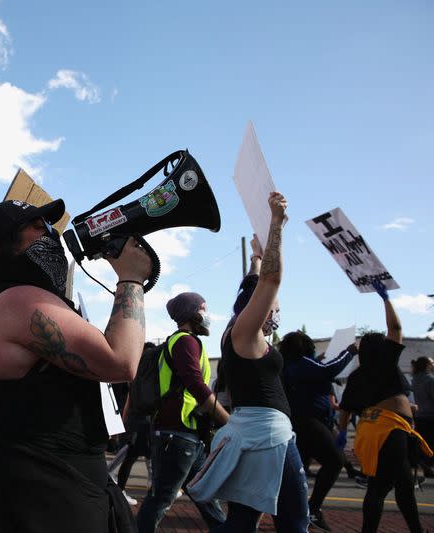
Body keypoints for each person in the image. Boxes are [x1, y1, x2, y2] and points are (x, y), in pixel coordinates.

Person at [0, 198, 151, 532]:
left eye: (50, 225)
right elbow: (121, 360)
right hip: (40, 503)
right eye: (36, 226)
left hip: (46, 492)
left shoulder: (10, 298)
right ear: (8, 244)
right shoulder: (19, 301)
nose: (50, 233)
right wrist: (131, 278)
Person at [188, 193, 309, 533]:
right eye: (272, 306)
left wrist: (256, 259)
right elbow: (269, 283)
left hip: (254, 433)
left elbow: (252, 288)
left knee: (242, 520)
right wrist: (275, 226)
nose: (276, 311)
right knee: (294, 521)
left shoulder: (236, 332)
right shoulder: (244, 332)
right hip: (268, 436)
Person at [338, 280, 432, 533]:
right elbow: (396, 327)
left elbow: (345, 410)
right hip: (389, 430)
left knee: (401, 486)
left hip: (372, 431)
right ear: (382, 349)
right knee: (379, 488)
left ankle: (416, 530)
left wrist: (340, 434)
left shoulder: (356, 376)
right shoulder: (387, 362)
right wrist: (385, 299)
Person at [137, 292, 229, 532]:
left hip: (186, 433)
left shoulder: (181, 341)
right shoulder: (185, 341)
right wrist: (227, 420)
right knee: (161, 499)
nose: (207, 315)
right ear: (192, 313)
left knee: (204, 494)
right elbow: (196, 386)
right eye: (203, 309)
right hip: (177, 433)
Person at [280, 330, 356, 531]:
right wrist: (348, 352)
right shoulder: (301, 364)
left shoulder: (292, 365)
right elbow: (328, 371)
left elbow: (319, 369)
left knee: (298, 471)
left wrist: (320, 361)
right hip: (308, 422)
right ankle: (312, 508)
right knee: (335, 460)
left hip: (302, 422)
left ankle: (295, 513)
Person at [412, 356, 434, 477]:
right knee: (431, 444)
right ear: (427, 365)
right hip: (431, 416)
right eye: (432, 363)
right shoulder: (430, 380)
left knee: (423, 443)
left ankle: (424, 464)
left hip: (419, 415)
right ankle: (427, 466)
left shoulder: (415, 379)